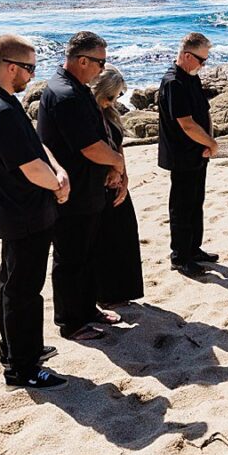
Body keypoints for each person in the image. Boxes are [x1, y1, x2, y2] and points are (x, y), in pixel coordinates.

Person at [0, 34, 71, 389]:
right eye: (29, 68)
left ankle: (18, 349)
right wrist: (58, 186)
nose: (32, 76)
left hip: (21, 212)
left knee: (14, 286)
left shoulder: (1, 101)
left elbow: (37, 146)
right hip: (22, 213)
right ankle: (22, 367)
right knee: (22, 292)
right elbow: (29, 167)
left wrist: (58, 170)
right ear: (11, 67)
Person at [38, 31, 126, 343]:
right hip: (71, 193)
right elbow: (90, 147)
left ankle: (88, 308)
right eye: (100, 62)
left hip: (88, 191)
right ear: (82, 60)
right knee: (71, 258)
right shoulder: (65, 94)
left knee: (88, 254)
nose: (103, 70)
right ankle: (71, 322)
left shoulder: (76, 88)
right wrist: (117, 162)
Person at [158, 32, 220, 275]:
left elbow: (203, 113)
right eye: (201, 60)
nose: (204, 65)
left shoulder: (191, 77)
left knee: (196, 203)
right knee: (182, 207)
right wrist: (212, 144)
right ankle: (180, 256)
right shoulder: (174, 82)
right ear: (186, 55)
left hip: (198, 152)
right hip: (181, 154)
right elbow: (186, 123)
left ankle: (194, 248)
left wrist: (208, 142)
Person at [91, 65, 144, 308]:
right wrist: (111, 171)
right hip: (98, 182)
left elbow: (118, 145)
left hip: (116, 179)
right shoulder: (88, 113)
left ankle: (122, 292)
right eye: (110, 96)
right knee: (104, 241)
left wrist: (123, 176)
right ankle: (105, 295)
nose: (112, 101)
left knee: (124, 235)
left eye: (118, 96)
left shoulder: (110, 113)